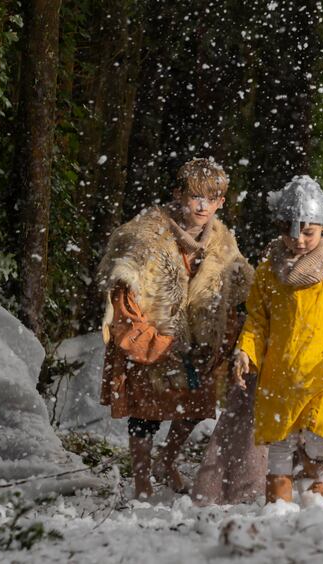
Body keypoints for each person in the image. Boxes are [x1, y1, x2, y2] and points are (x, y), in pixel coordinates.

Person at [98, 158, 254, 499]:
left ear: (221, 202)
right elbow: (125, 299)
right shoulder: (144, 238)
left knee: (195, 408)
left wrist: (222, 340)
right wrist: (154, 343)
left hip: (198, 346)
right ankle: (141, 477)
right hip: (153, 339)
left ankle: (166, 460)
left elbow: (243, 291)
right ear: (177, 195)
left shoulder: (223, 244)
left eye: (210, 197)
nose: (201, 205)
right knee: (146, 413)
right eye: (194, 196)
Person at [233, 176, 323, 504]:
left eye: (308, 232)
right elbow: (256, 322)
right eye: (290, 232)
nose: (298, 240)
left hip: (322, 376)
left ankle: (318, 501)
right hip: (281, 376)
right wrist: (246, 351)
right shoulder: (268, 274)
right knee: (280, 446)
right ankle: (278, 508)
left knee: (317, 441)